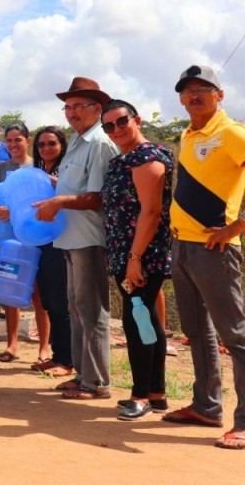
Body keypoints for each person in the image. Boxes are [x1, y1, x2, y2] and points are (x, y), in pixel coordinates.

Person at [162, 65, 245, 449]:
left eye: (203, 88)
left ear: (220, 95)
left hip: (215, 250)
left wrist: (237, 225)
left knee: (236, 336)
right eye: (188, 90)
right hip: (183, 246)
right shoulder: (189, 133)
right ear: (181, 98)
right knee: (197, 331)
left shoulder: (231, 132)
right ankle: (206, 406)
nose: (194, 95)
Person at [33, 77, 118, 400]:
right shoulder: (78, 142)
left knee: (92, 311)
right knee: (78, 308)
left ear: (98, 108)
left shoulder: (99, 143)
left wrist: (59, 201)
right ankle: (84, 375)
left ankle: (97, 382)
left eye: (79, 106)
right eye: (68, 107)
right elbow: (73, 187)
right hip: (69, 237)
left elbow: (96, 197)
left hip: (89, 238)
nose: (72, 112)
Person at [99, 99, 173, 421]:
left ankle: (140, 396)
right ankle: (156, 393)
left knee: (137, 320)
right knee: (146, 319)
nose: (115, 129)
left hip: (142, 255)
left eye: (121, 122)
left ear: (137, 120)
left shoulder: (147, 157)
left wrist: (135, 258)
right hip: (125, 252)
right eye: (108, 126)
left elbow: (152, 212)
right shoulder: (122, 160)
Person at [0, 122, 50, 364]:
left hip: (35, 237)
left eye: (18, 140)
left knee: (39, 294)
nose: (13, 145)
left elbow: (40, 203)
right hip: (8, 240)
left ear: (28, 140)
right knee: (9, 289)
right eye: (9, 141)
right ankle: (12, 346)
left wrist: (12, 212)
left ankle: (44, 348)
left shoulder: (38, 167)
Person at [28, 126, 74, 378]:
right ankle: (57, 355)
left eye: (51, 143)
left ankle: (67, 360)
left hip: (62, 244)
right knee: (48, 301)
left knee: (60, 302)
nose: (46, 148)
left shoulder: (66, 172)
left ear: (62, 146)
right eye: (41, 144)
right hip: (41, 244)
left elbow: (75, 196)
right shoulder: (37, 172)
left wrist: (56, 184)